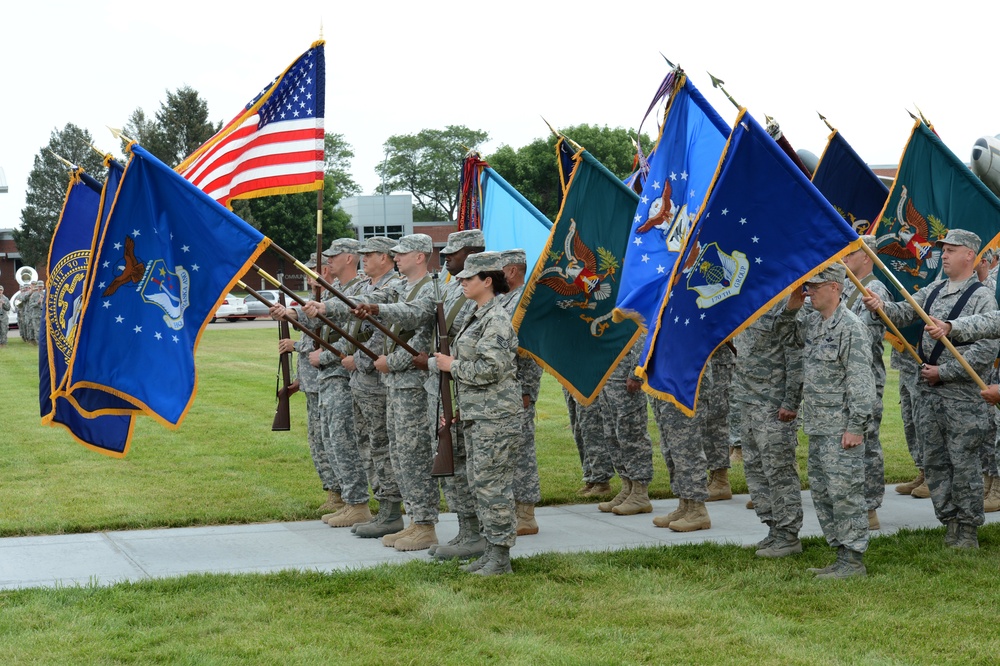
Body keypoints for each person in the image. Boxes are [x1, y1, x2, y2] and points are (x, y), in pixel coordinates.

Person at [865, 229, 999, 549]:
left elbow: (986, 348)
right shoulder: (935, 288)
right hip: (929, 395)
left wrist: (945, 372)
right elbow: (905, 313)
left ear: (970, 254)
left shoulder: (981, 296)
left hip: (961, 398)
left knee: (962, 463)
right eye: (944, 250)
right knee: (935, 462)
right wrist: (881, 305)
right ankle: (949, 519)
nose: (945, 256)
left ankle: (967, 528)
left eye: (951, 250)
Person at [777, 262, 875, 579]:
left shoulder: (851, 328)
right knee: (824, 494)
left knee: (846, 494)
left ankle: (853, 560)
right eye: (808, 287)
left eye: (814, 287)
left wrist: (856, 428)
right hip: (819, 426)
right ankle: (841, 554)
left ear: (835, 287)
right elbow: (784, 336)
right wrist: (792, 308)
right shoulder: (817, 324)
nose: (809, 293)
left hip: (841, 430)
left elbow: (861, 384)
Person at [432, 251, 521, 576]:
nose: (461, 282)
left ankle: (500, 558)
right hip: (478, 415)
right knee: (480, 483)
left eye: (468, 278)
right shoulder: (477, 314)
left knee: (492, 487)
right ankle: (489, 549)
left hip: (495, 418)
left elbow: (491, 369)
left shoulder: (495, 319)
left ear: (487, 280)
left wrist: (451, 365)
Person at [732, 298, 804, 558]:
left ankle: (788, 535)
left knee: (779, 471)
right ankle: (773, 529)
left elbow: (795, 355)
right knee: (755, 469)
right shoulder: (746, 301)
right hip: (748, 402)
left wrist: (791, 401)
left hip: (774, 406)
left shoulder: (783, 306)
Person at [346, 237, 407, 539]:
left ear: (386, 257)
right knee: (367, 443)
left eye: (368, 255)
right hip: (361, 378)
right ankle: (381, 503)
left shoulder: (393, 288)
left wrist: (361, 360)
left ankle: (391, 510)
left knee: (382, 445)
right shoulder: (362, 287)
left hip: (377, 378)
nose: (363, 259)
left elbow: (384, 334)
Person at [842, 236, 892, 529]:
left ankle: (870, 508)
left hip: (866, 380)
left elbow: (866, 337)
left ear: (867, 256)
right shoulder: (848, 286)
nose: (845, 256)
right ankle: (854, 502)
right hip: (847, 379)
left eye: (852, 252)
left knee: (867, 443)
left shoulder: (873, 289)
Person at [498, 249, 544, 535]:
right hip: (504, 388)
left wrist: (526, 390)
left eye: (499, 269)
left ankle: (526, 514)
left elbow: (527, 351)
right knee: (508, 450)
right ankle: (513, 509)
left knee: (522, 450)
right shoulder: (504, 299)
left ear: (512, 271)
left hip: (519, 388)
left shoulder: (526, 301)